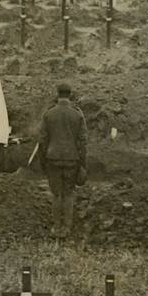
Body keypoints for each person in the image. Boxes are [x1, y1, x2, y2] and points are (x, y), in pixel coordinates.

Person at [38, 83, 87, 236]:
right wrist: (83, 164)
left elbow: (43, 140)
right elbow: (83, 142)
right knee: (68, 193)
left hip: (52, 158)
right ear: (70, 95)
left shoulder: (49, 114)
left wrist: (42, 161)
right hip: (72, 159)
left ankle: (56, 227)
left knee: (56, 194)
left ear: (57, 94)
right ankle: (67, 227)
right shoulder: (77, 114)